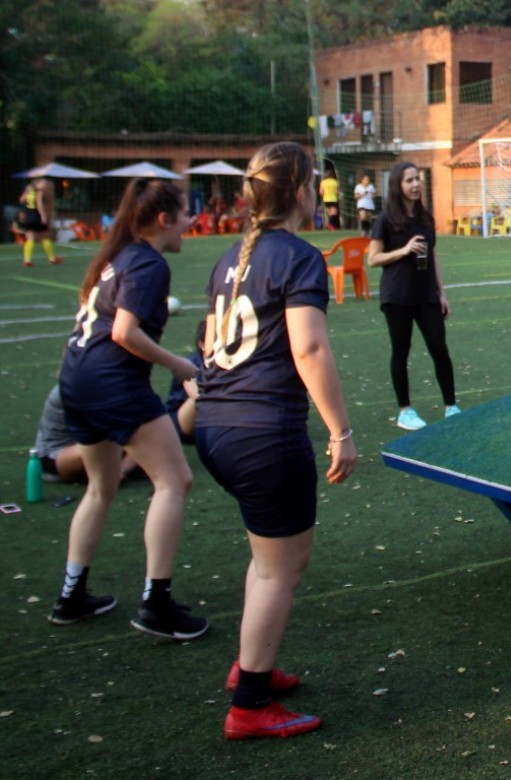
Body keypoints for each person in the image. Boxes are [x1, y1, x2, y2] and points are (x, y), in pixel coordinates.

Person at [197, 141, 356, 740]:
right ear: (298, 191)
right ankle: (250, 705)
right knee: (280, 570)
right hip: (262, 432)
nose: (315, 193)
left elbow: (211, 346)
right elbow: (308, 348)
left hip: (217, 423)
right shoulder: (297, 255)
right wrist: (341, 430)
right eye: (312, 183)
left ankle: (250, 666)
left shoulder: (229, 257)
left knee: (268, 562)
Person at [48, 177, 207, 643]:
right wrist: (183, 366)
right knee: (174, 480)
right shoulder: (147, 262)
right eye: (183, 213)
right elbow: (124, 332)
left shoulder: (116, 257)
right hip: (112, 383)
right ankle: (157, 604)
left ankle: (70, 596)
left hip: (76, 379)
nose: (189, 222)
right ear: (163, 220)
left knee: (101, 486)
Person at [368, 160, 459, 431]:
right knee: (401, 350)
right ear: (398, 185)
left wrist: (441, 293)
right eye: (409, 180)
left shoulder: (425, 218)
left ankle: (451, 406)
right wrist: (404, 250)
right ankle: (405, 411)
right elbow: (373, 259)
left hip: (426, 295)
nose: (416, 184)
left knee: (439, 348)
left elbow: (433, 256)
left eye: (417, 179)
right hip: (397, 296)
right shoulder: (386, 220)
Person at [33, 385, 141, 484]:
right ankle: (117, 471)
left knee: (144, 431)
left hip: (89, 450)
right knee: (137, 435)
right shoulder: (77, 388)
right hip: (54, 459)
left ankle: (119, 471)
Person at [15, 177, 62, 267]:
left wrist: (27, 194)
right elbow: (39, 205)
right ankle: (52, 258)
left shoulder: (29, 189)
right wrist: (43, 217)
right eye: (43, 183)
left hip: (28, 215)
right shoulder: (39, 192)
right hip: (36, 216)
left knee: (30, 238)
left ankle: (27, 260)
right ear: (38, 183)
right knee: (44, 236)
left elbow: (21, 200)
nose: (44, 185)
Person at [318, 164, 340, 231]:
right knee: (334, 213)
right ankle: (329, 224)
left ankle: (331, 226)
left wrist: (322, 197)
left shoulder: (323, 182)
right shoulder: (335, 182)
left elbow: (321, 192)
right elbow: (336, 191)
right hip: (333, 198)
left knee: (330, 213)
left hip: (326, 199)